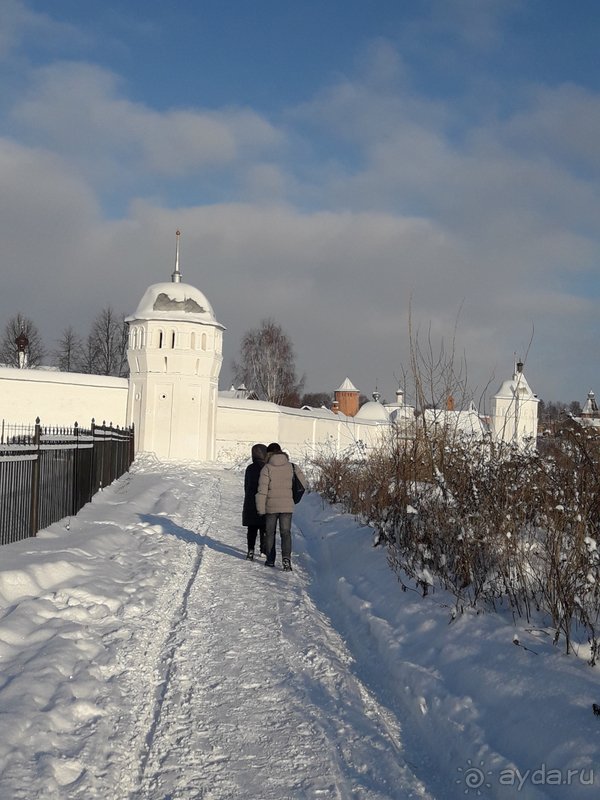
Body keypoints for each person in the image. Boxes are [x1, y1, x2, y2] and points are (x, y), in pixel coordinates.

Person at [255, 442, 306, 571]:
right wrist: (292, 497)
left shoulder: (267, 468)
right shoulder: (292, 467)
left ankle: (270, 560)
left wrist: (260, 509)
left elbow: (262, 491)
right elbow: (303, 484)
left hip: (271, 506)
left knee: (270, 533)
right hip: (287, 506)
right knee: (286, 533)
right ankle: (286, 560)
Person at [242, 443, 268, 561]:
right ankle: (263, 550)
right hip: (264, 500)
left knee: (251, 529)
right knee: (264, 527)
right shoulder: (267, 468)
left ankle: (250, 550)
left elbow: (246, 486)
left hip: (250, 500)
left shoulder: (250, 468)